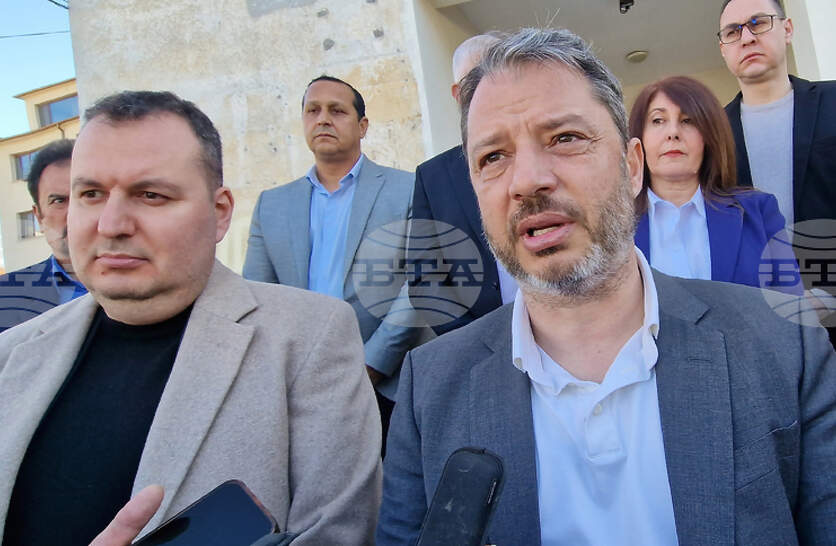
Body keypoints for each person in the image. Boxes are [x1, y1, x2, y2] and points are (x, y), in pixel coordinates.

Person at [377, 28, 836, 545]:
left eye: (564, 138)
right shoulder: (430, 389)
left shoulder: (784, 346)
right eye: (493, 158)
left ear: (633, 166)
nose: (526, 181)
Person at [0, 91, 381, 545]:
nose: (111, 224)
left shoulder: (308, 339)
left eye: (150, 195)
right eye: (90, 194)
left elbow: (337, 534)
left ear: (219, 213)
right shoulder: (13, 354)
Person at [242, 75, 420, 432]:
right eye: (313, 110)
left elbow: (422, 283)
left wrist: (371, 365)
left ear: (362, 126)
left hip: (387, 385)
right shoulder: (271, 205)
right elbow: (256, 298)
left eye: (337, 110)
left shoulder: (408, 189)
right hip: (298, 388)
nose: (323, 119)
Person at [629, 75, 792, 288]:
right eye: (658, 120)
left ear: (708, 136)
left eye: (688, 120)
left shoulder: (759, 212)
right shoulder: (616, 223)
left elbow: (789, 302)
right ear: (638, 140)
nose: (673, 133)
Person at [410, 33, 516, 337]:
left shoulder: (550, 158)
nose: (490, 88)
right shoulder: (432, 178)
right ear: (458, 94)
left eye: (499, 74)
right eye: (477, 79)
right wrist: (477, 339)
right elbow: (425, 278)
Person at [719, 0, 836, 228]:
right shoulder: (713, 132)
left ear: (787, 29)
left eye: (758, 23)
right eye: (732, 32)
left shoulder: (832, 100)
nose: (747, 39)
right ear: (723, 49)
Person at [0, 139, 86, 332]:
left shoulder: (151, 287)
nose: (73, 213)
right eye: (58, 201)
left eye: (88, 194)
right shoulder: (4, 297)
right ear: (38, 215)